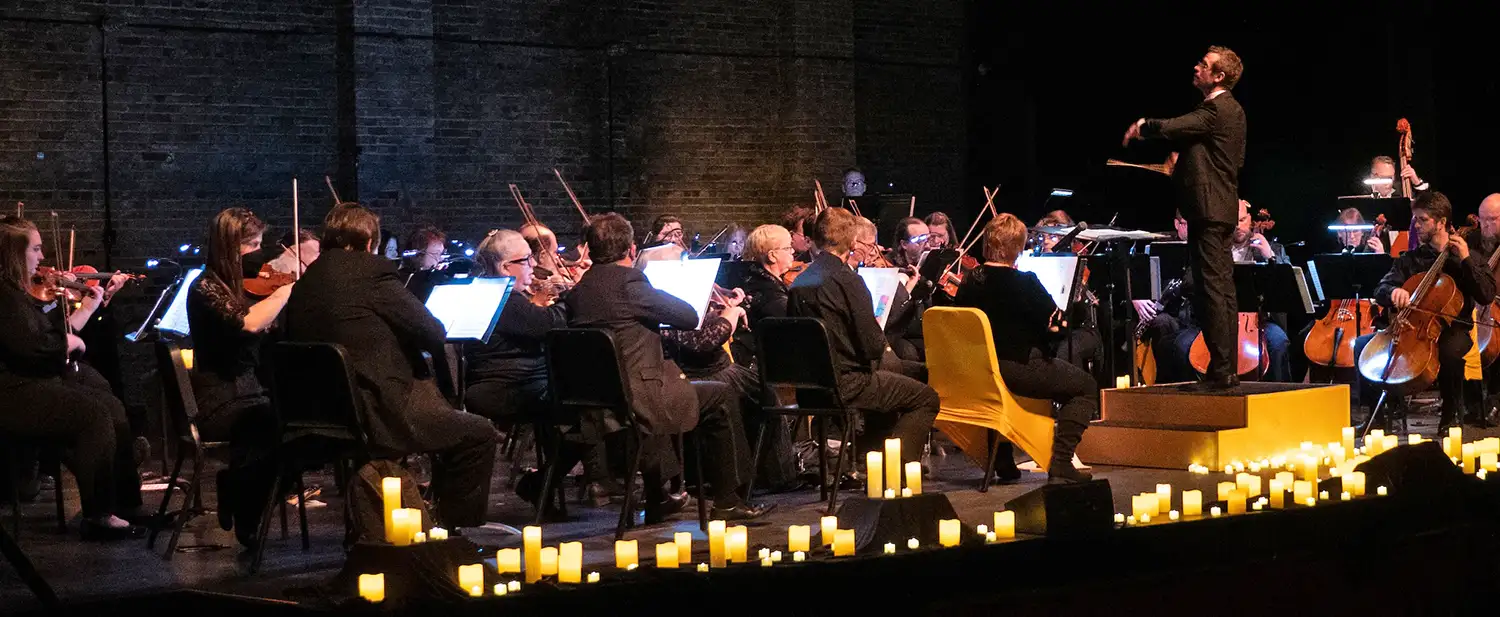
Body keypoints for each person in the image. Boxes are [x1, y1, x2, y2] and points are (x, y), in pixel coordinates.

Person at [285, 204, 499, 531]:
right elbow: (432, 332)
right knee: (478, 434)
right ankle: (449, 531)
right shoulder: (372, 273)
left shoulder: (306, 281)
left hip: (320, 413)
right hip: (376, 413)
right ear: (370, 239)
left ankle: (420, 520)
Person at [567, 213, 770, 521]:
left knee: (672, 384)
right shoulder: (631, 284)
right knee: (720, 395)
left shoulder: (580, 291)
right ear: (631, 250)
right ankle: (729, 499)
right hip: (638, 398)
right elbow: (688, 316)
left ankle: (658, 496)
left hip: (598, 397)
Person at [0, 216, 142, 540]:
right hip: (13, 390)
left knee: (109, 405)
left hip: (32, 381)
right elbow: (31, 346)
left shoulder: (14, 293)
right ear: (14, 253)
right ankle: (99, 515)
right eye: (35, 249)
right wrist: (66, 342)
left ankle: (124, 503)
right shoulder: (4, 296)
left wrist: (81, 316)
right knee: (93, 415)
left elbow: (40, 335)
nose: (41, 257)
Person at [1123, 45, 1248, 390]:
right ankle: (1225, 368)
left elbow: (1179, 126)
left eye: (1204, 65)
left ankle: (1222, 371)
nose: (1196, 68)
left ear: (1219, 76)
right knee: (1219, 289)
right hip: (1217, 207)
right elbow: (1216, 158)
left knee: (1213, 290)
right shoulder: (1229, 111)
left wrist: (1144, 126)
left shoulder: (1217, 108)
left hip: (1209, 210)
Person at [787, 208, 939, 469]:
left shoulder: (799, 282)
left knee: (897, 376)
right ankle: (896, 466)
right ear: (853, 242)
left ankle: (868, 457)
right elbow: (872, 346)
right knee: (927, 398)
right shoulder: (848, 280)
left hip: (809, 389)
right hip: (846, 384)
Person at [184, 208, 298, 548]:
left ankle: (237, 486)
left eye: (261, 243)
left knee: (301, 433)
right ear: (228, 246)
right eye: (251, 244)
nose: (258, 253)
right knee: (273, 429)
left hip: (254, 392)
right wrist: (284, 291)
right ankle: (247, 506)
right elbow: (246, 323)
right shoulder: (206, 287)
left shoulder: (250, 284)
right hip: (219, 398)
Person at [953, 213, 1093, 484]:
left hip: (978, 369)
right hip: (1015, 369)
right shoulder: (1025, 282)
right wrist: (1071, 309)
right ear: (1017, 247)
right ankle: (1061, 462)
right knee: (1085, 386)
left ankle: (1003, 459)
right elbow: (1059, 327)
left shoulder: (968, 282)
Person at [1352, 192, 1494, 431]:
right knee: (1361, 344)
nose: (1416, 225)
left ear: (1441, 222)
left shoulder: (1468, 257)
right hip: (1411, 328)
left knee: (1450, 350)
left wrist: (1467, 260)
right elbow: (1382, 288)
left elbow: (1486, 294)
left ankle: (1451, 416)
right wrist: (1394, 292)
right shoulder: (1411, 259)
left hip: (1454, 329)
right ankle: (1378, 417)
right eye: (1415, 219)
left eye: (1422, 220)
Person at [1461, 193, 1500, 427]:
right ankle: (1473, 403)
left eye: (1493, 219)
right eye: (1483, 219)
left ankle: (1494, 400)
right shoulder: (1472, 243)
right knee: (1463, 339)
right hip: (1477, 310)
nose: (1485, 224)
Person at [1230, 201, 1288, 265]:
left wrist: (1270, 257)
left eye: (1242, 220)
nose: (1238, 226)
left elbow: (1291, 274)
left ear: (1249, 218)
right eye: (1233, 221)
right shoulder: (1219, 248)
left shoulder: (1277, 249)